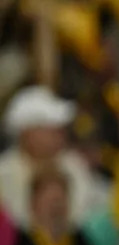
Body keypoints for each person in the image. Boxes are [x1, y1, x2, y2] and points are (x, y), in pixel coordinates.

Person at [0, 85, 95, 228]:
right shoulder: (5, 173)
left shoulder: (74, 166)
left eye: (60, 129)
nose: (60, 135)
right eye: (52, 130)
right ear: (27, 134)